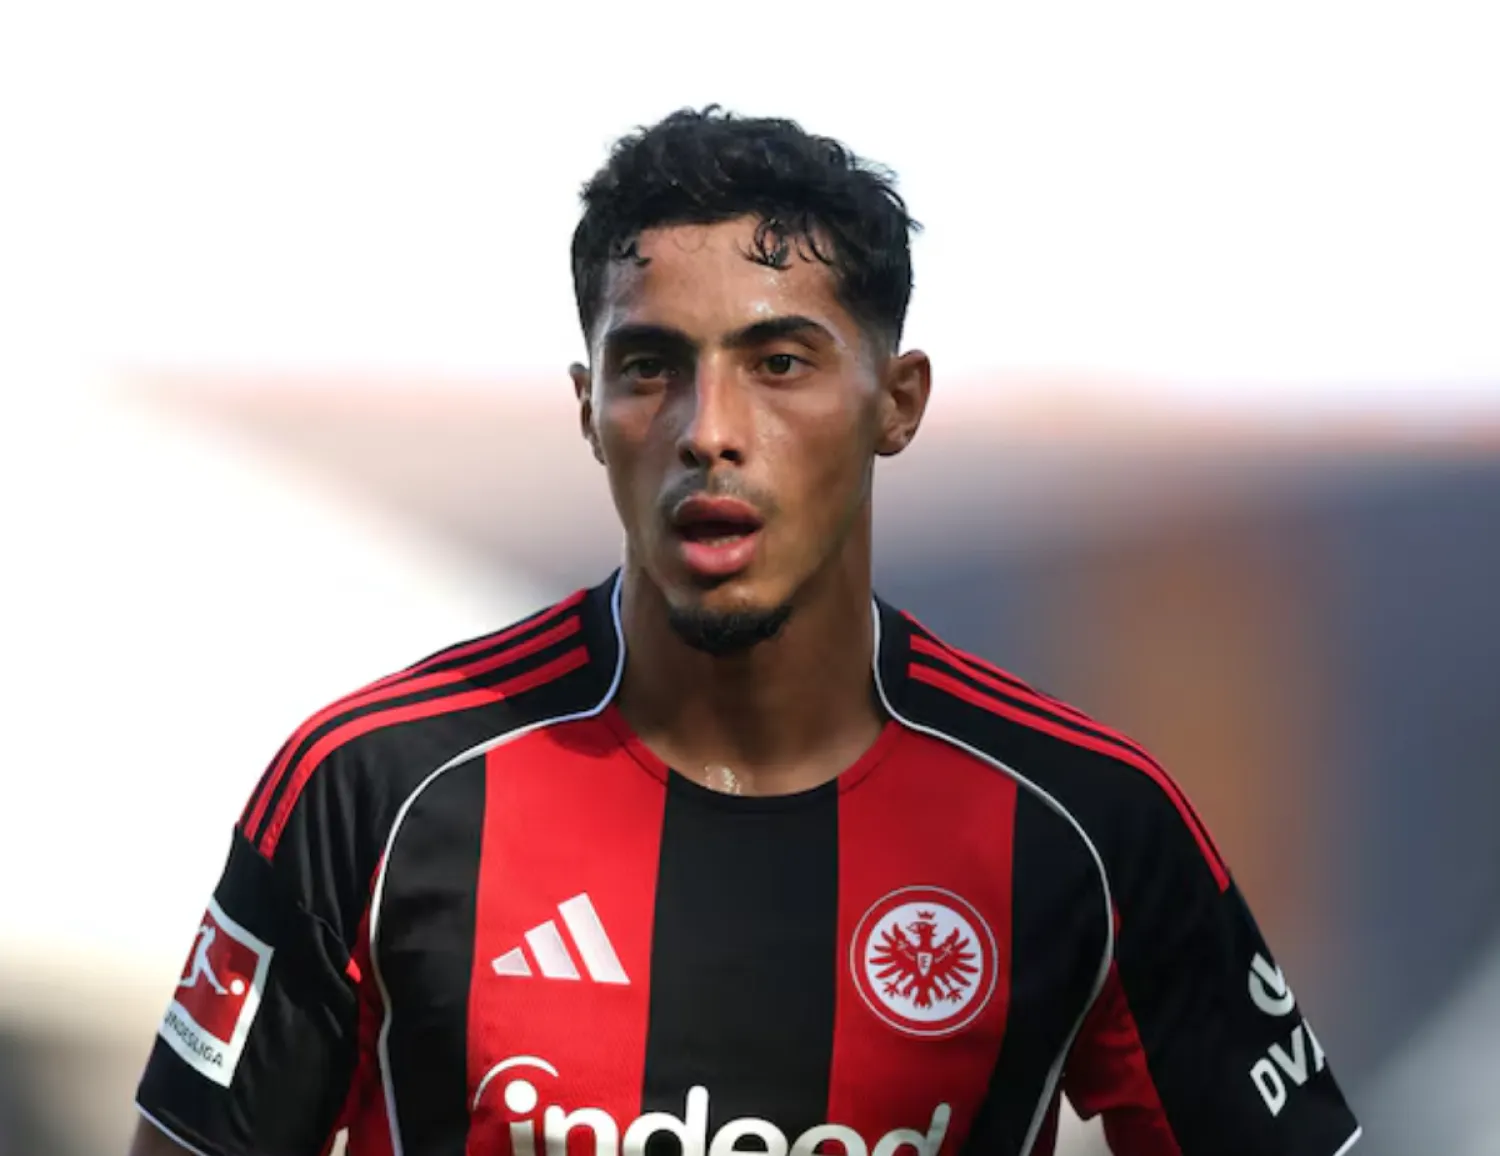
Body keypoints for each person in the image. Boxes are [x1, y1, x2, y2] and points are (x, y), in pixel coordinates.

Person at [128, 107, 1360, 1156]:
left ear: (899, 401)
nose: (709, 428)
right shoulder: (370, 786)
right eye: (652, 366)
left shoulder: (1091, 822)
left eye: (779, 361)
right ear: (589, 408)